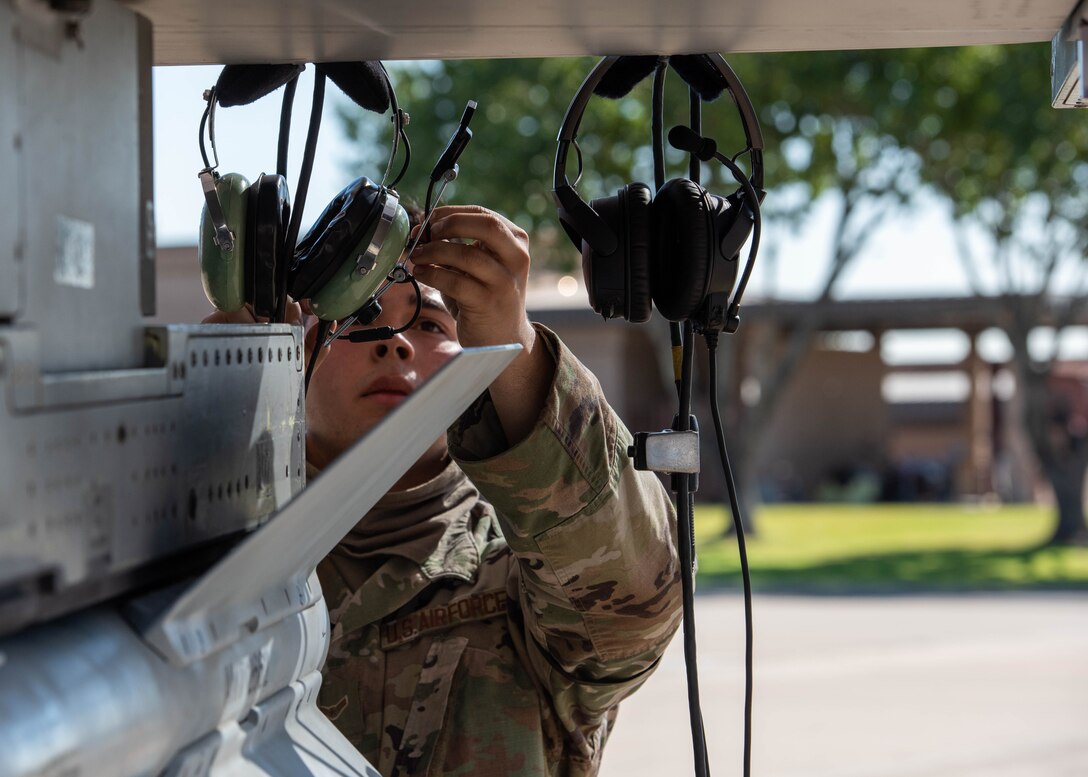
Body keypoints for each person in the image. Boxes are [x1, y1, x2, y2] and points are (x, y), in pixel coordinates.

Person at [210, 204, 681, 776]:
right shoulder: (220, 551)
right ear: (296, 348)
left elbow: (632, 613)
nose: (396, 345)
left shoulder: (517, 569)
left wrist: (519, 352)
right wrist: (215, 405)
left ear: (473, 361)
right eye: (359, 316)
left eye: (432, 324)